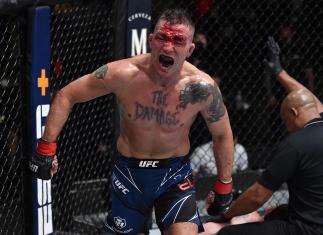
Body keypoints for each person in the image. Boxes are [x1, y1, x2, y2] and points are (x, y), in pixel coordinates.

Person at [28, 8, 234, 235]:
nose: (167, 47)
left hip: (174, 176)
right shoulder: (124, 73)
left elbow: (222, 134)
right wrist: (46, 148)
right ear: (151, 40)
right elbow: (66, 95)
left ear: (190, 49)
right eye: (162, 37)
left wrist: (225, 184)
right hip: (129, 175)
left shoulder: (201, 88)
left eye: (177, 40)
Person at [212, 88, 323, 235]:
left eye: (285, 121)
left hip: (309, 230)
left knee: (227, 233)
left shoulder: (294, 145)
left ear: (293, 113)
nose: (287, 128)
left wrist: (226, 215)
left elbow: (257, 197)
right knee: (277, 214)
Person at [265, 36, 323, 117]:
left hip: (299, 89)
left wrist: (311, 91)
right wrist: (270, 94)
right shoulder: (281, 49)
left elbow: (308, 71)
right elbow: (269, 76)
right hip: (280, 90)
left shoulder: (299, 50)